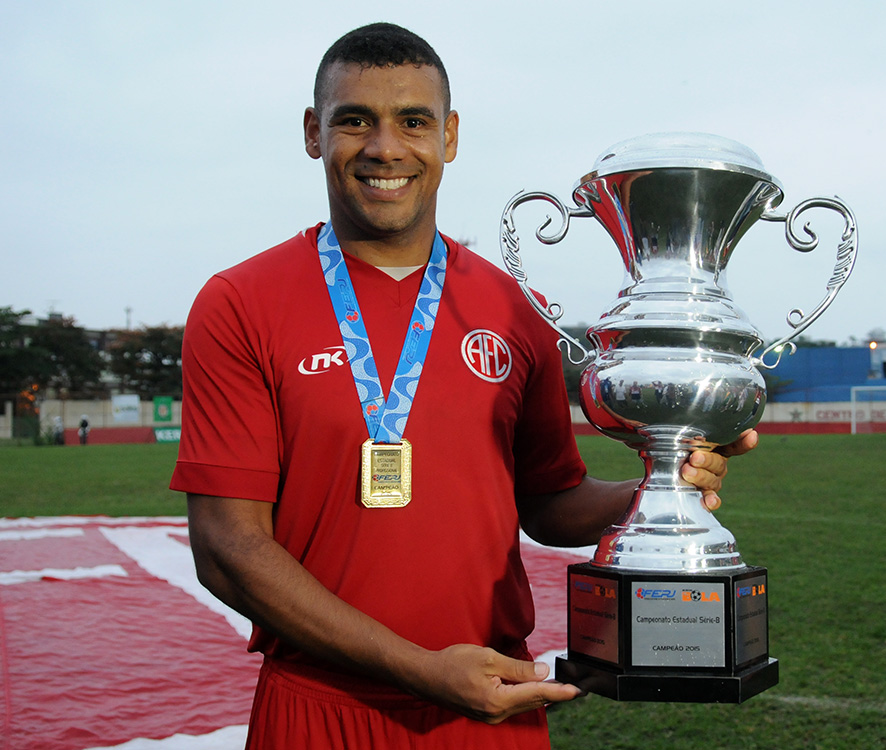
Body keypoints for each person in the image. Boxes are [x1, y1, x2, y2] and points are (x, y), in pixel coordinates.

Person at [170, 22, 757, 750]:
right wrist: (420, 669)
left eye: (412, 121)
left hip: (487, 707)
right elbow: (228, 549)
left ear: (448, 136)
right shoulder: (240, 302)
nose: (386, 148)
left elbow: (548, 503)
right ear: (312, 133)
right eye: (355, 120)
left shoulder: (512, 308)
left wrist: (659, 487)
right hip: (321, 708)